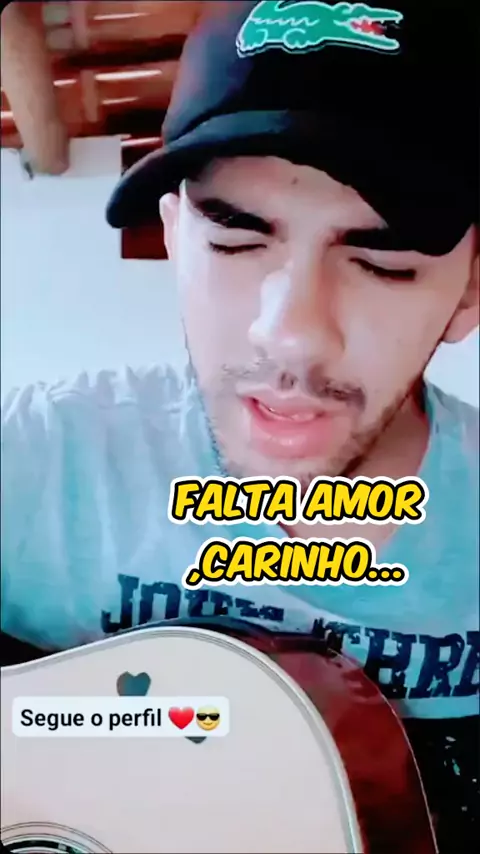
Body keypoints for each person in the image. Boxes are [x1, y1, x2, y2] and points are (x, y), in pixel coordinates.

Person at [1, 0, 478, 850]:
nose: (289, 333)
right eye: (233, 241)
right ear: (174, 236)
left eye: (382, 263)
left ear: (471, 288)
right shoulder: (34, 462)